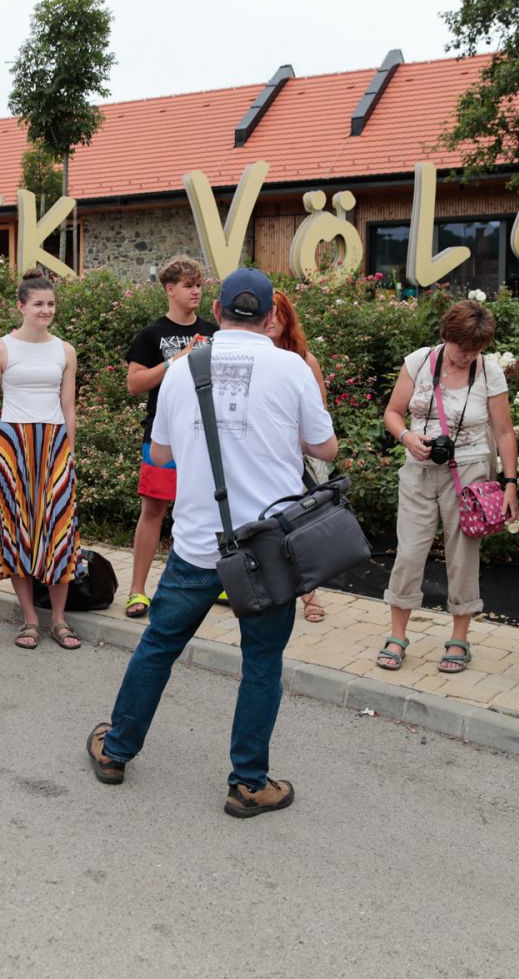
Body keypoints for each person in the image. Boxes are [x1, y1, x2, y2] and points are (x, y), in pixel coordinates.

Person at [88, 268, 338, 818]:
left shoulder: (182, 369)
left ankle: (116, 751)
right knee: (262, 663)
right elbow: (325, 449)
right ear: (270, 317)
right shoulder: (292, 368)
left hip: (199, 542)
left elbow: (160, 454)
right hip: (269, 547)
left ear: (218, 312)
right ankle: (248, 784)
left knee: (159, 646)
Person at [378, 300, 519, 673]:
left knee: (463, 557)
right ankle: (397, 635)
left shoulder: (489, 372)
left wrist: (510, 483)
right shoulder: (419, 362)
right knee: (409, 553)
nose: (468, 356)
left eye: (477, 349)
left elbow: (504, 432)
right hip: (418, 470)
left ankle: (459, 639)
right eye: (463, 348)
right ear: (446, 336)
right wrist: (407, 437)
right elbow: (392, 413)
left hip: (469, 474)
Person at [0, 270, 82, 650]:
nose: (46, 310)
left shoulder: (65, 351)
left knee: (58, 527)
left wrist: (68, 451)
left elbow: (68, 407)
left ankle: (59, 619)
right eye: (38, 304)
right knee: (16, 525)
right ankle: (30, 619)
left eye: (51, 304)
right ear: (21, 306)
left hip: (55, 445)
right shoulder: (0, 349)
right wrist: (14, 441)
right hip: (12, 446)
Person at [121, 255, 218, 618]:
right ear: (170, 289)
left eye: (199, 285)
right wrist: (178, 359)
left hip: (208, 435)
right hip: (163, 437)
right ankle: (137, 590)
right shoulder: (152, 334)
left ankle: (220, 581)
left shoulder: (215, 332)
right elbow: (134, 384)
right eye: (189, 285)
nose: (196, 291)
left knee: (214, 507)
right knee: (154, 509)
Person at [265, 290, 331, 622]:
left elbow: (320, 415)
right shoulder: (252, 359)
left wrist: (300, 444)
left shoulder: (304, 359)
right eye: (267, 312)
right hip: (264, 457)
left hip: (302, 456)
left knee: (302, 525)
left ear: (287, 317)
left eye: (278, 312)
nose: (272, 319)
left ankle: (309, 593)